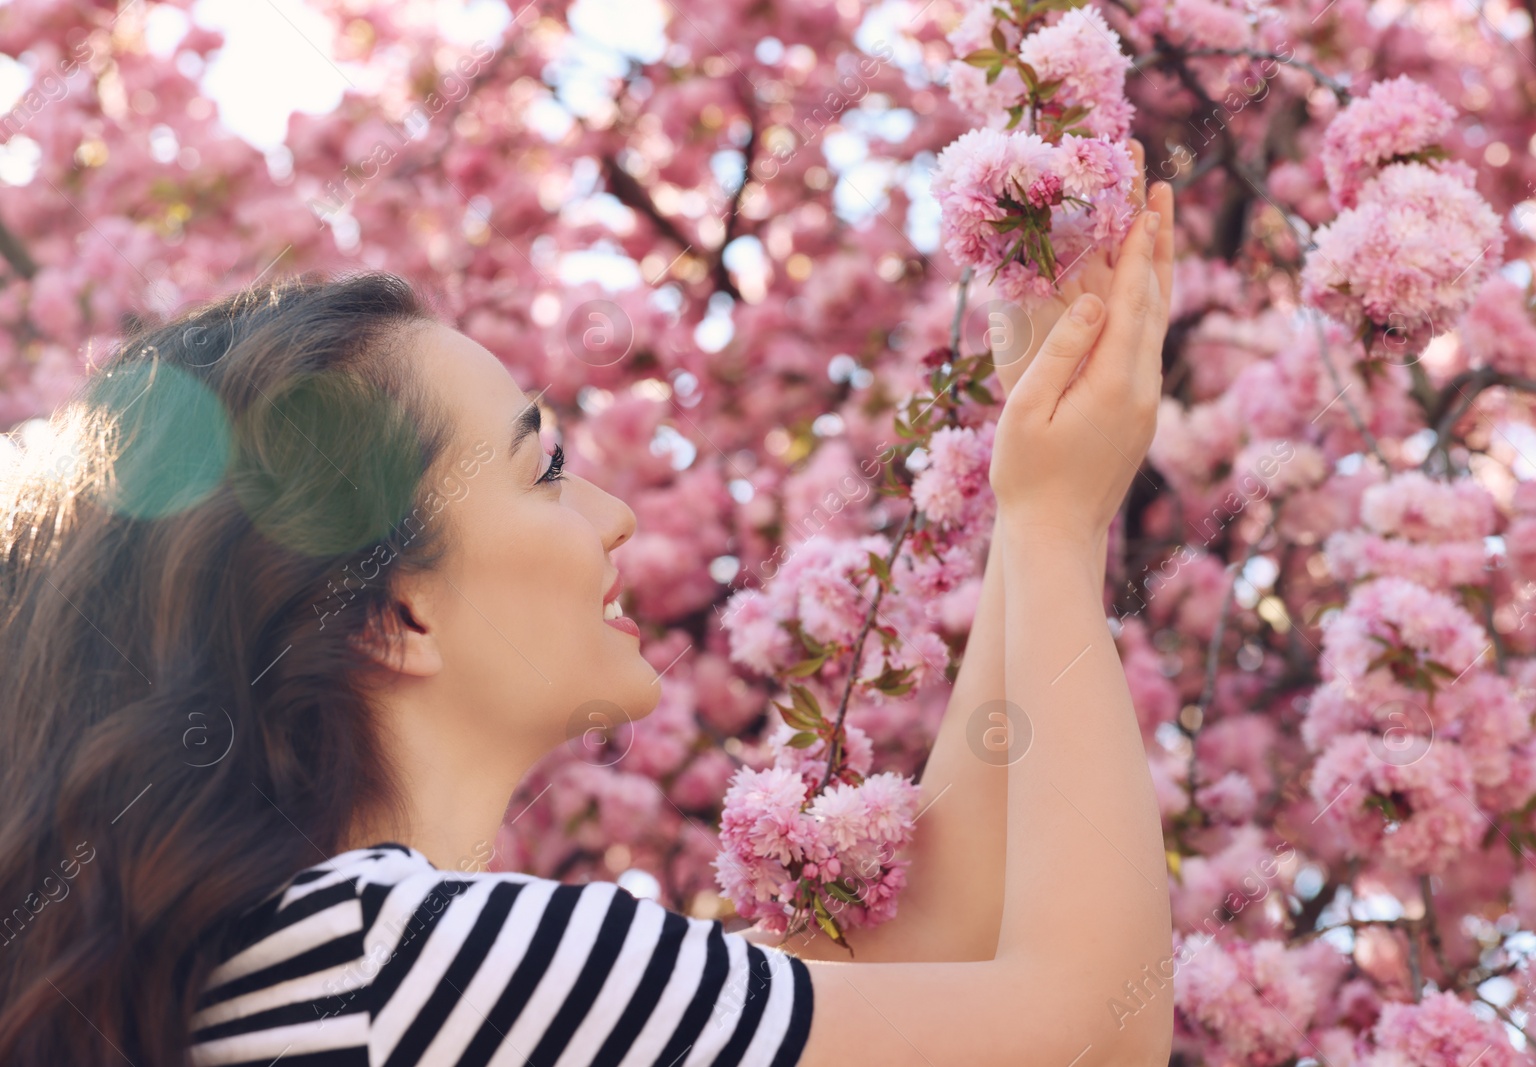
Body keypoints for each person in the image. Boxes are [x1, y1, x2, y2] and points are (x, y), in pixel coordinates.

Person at [0, 158, 1175, 1065]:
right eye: (546, 467)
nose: (613, 515)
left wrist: (1035, 489)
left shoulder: (294, 970)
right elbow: (1085, 1038)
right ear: (395, 616)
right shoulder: (409, 962)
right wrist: (1057, 530)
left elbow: (941, 963)